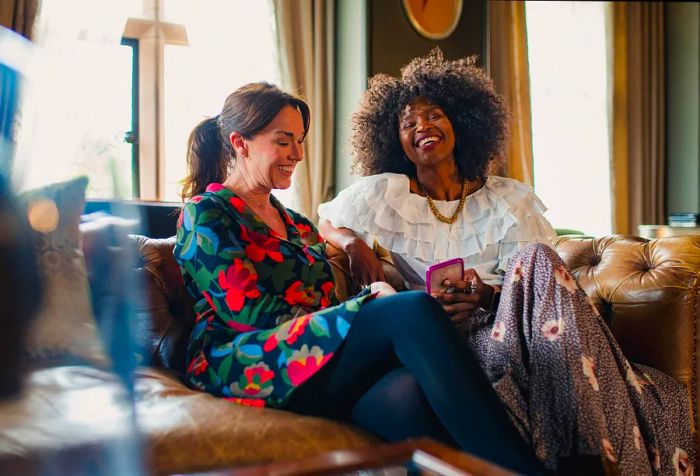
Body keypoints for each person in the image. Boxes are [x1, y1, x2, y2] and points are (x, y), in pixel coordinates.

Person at [317, 49, 694, 475]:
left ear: (461, 122)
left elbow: (539, 287)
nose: (422, 126)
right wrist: (351, 243)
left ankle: (586, 446)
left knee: (534, 257)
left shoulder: (509, 199)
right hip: (438, 339)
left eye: (434, 115)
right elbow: (324, 222)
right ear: (395, 141)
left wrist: (488, 294)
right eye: (408, 123)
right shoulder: (382, 193)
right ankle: (583, 451)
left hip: (510, 326)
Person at [173, 82, 545, 474]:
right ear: (240, 143)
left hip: (313, 359)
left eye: (299, 141)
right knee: (412, 309)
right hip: (244, 362)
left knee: (408, 394)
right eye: (284, 142)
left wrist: (369, 292)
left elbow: (327, 305)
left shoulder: (296, 225)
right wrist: (369, 304)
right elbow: (248, 313)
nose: (298, 154)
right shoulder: (207, 213)